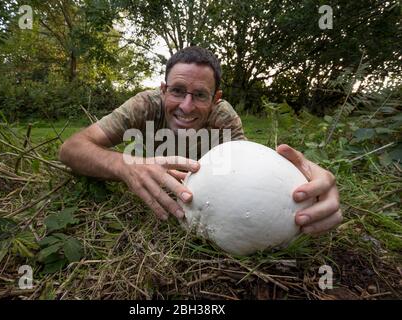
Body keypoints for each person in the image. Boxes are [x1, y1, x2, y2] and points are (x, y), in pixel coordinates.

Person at [59, 46, 342, 235]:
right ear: (163, 89)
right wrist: (126, 165)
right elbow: (72, 148)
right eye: (178, 91)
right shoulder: (144, 105)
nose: (186, 106)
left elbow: (255, 171)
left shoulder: (224, 118)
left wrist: (303, 184)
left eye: (200, 95)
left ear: (216, 99)